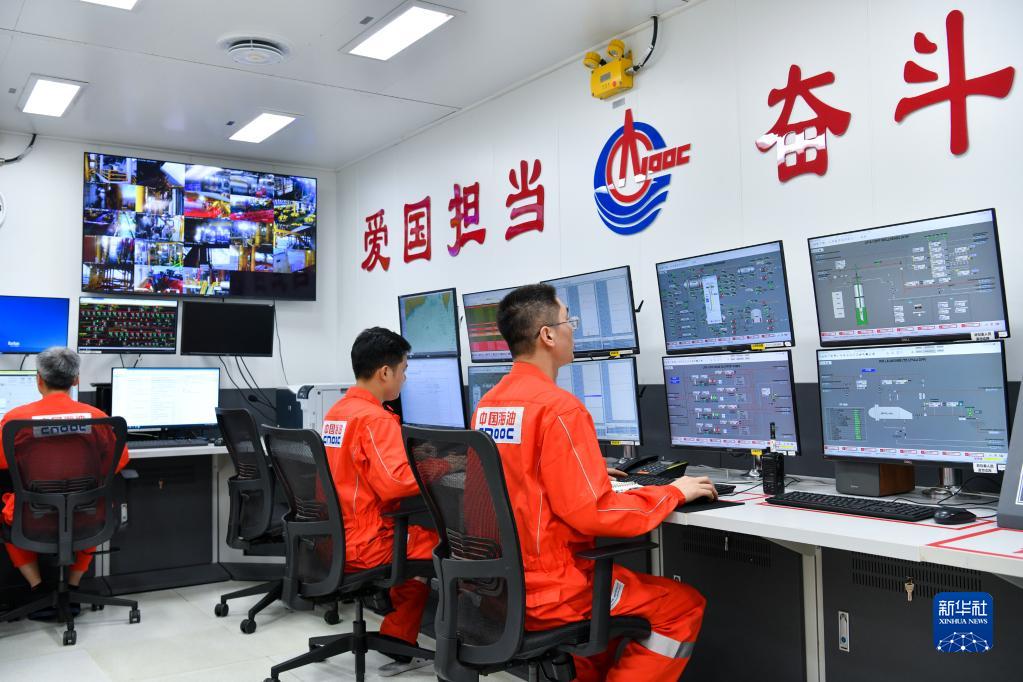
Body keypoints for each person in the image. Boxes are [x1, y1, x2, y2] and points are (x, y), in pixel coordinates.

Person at [472, 284, 717, 681]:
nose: (573, 328)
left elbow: (519, 477)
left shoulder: (488, 405)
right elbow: (595, 512)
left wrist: (586, 471)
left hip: (501, 586)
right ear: (547, 335)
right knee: (682, 607)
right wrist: (672, 491)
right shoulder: (559, 409)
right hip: (554, 591)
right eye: (568, 320)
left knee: (598, 631)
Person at [320, 327, 447, 677]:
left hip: (334, 536)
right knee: (451, 547)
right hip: (366, 542)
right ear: (385, 372)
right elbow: (395, 484)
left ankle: (399, 638)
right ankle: (460, 654)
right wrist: (444, 465)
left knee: (415, 541)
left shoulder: (338, 413)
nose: (405, 378)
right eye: (404, 370)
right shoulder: (373, 418)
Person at [0, 347, 130, 591]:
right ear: (76, 380)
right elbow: (120, 459)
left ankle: (37, 586)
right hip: (87, 515)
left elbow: (2, 463)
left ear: (39, 379)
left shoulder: (15, 420)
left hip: (33, 517)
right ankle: (73, 585)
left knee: (8, 508)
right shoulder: (97, 417)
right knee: (94, 502)